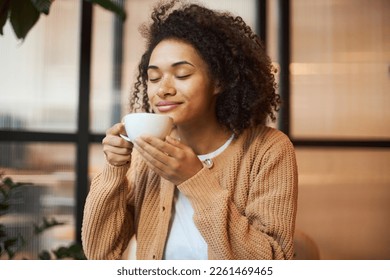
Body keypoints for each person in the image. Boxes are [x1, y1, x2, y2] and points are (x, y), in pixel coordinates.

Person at [82, 0, 298, 260]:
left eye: (182, 74)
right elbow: (100, 254)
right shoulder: (144, 156)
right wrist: (114, 170)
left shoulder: (267, 150)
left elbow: (271, 262)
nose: (163, 89)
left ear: (219, 80)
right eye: (153, 78)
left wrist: (194, 178)